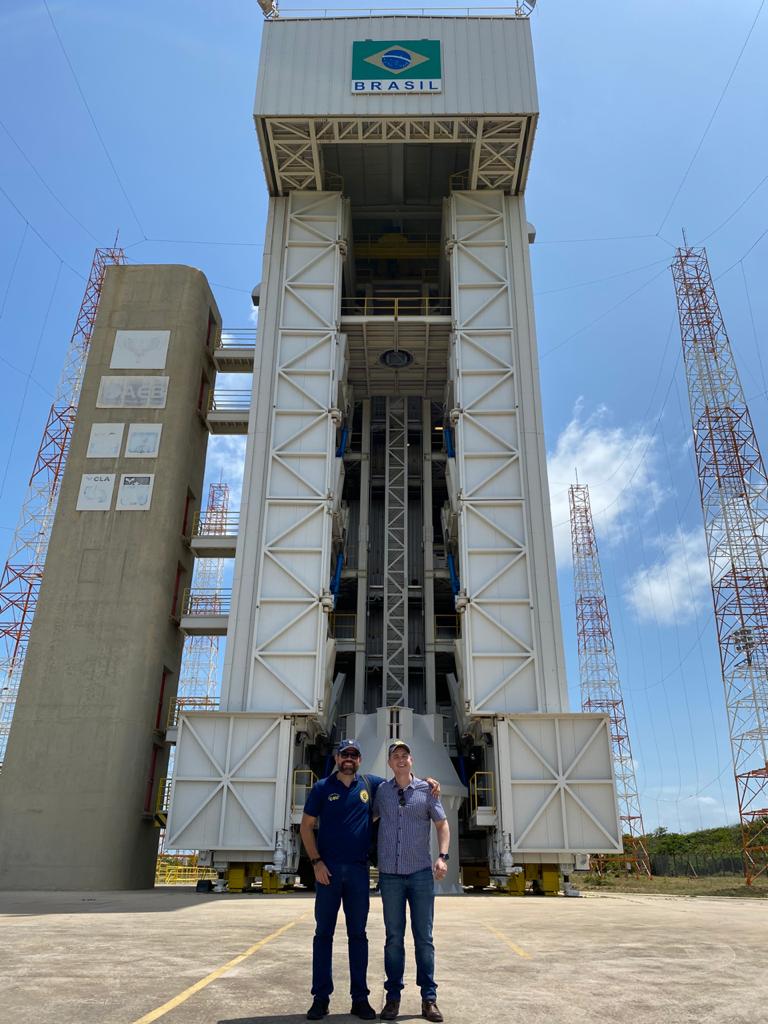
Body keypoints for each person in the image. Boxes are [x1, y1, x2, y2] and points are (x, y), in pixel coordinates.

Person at [300, 738, 380, 1020]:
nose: (349, 758)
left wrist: (428, 781)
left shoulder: (370, 785)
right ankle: (320, 998)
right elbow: (306, 827)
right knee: (323, 935)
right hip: (328, 873)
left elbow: (400, 783)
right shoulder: (322, 788)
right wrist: (316, 862)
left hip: (358, 873)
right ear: (336, 758)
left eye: (354, 754)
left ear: (360, 759)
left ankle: (360, 999)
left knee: (358, 936)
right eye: (344, 754)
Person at [374, 740, 449, 1023]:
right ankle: (393, 998)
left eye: (405, 755)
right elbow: (364, 816)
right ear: (390, 763)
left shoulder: (427, 790)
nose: (401, 760)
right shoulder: (381, 791)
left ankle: (428, 999)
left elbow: (442, 824)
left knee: (424, 939)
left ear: (411, 760)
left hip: (419, 875)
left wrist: (442, 856)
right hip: (390, 876)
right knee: (393, 939)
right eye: (396, 756)